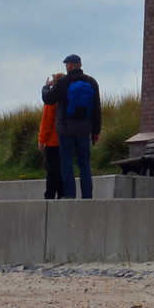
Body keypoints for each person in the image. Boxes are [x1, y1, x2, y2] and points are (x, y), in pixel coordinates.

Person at [58, 53, 101, 201]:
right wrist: (96, 131)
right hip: (84, 130)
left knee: (67, 164)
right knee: (85, 165)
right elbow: (97, 108)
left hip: (66, 130)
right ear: (80, 65)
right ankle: (87, 196)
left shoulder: (63, 82)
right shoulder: (91, 82)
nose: (66, 66)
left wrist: (46, 87)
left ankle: (70, 195)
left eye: (67, 64)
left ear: (70, 65)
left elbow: (48, 98)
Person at [36, 70, 66, 199]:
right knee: (63, 169)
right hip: (67, 140)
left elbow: (46, 121)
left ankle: (49, 195)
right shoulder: (68, 96)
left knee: (51, 170)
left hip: (53, 142)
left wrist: (41, 140)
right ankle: (63, 194)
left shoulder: (52, 99)